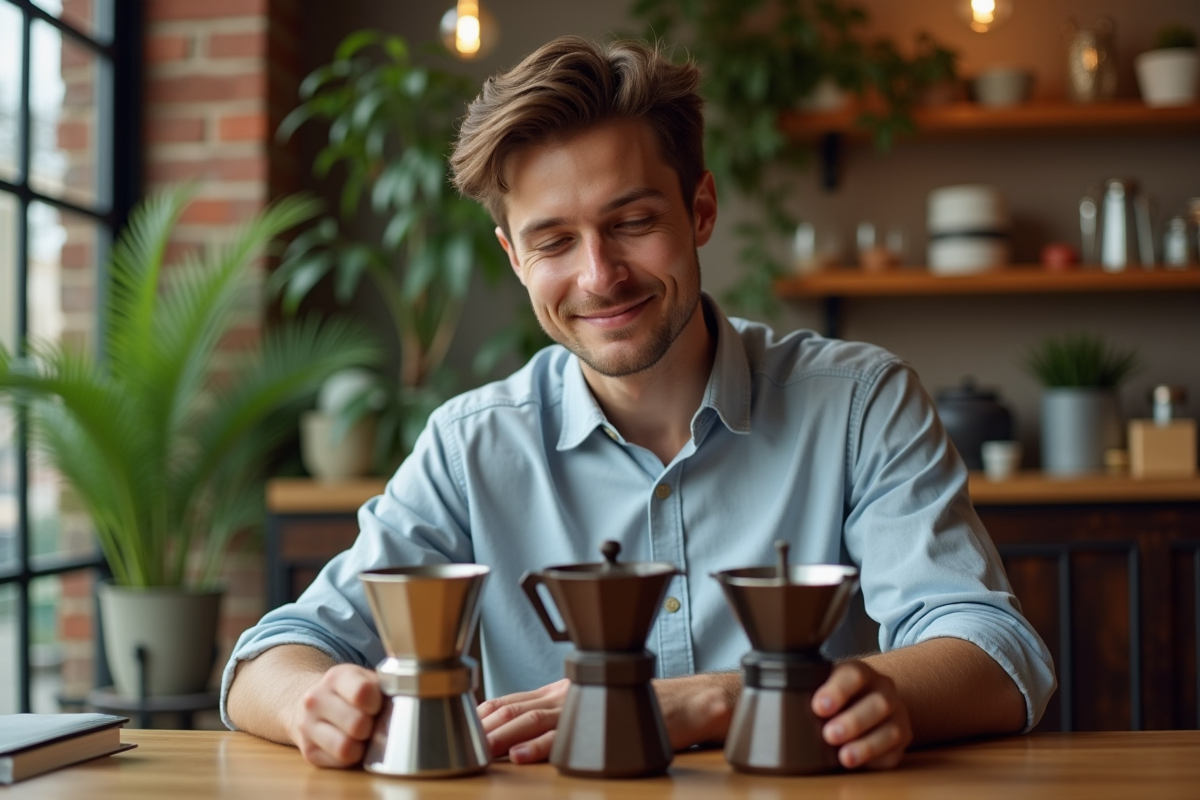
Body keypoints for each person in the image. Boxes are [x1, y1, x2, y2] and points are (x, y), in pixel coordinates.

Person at [223, 36, 1055, 772]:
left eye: (632, 222)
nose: (599, 276)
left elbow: (997, 653)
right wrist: (312, 704)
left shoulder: (860, 403)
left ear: (700, 210)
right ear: (515, 257)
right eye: (554, 241)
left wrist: (725, 698)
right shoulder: (471, 445)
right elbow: (275, 654)